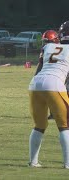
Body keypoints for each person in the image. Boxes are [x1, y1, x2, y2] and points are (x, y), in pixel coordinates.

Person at [28, 21, 69, 168]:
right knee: (65, 126)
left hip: (35, 84)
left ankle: (33, 162)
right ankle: (68, 164)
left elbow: (39, 69)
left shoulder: (48, 46)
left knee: (39, 125)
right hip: (55, 83)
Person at [39, 30, 60, 120]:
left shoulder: (45, 49)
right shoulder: (63, 47)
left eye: (47, 41)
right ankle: (54, 113)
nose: (45, 43)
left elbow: (41, 63)